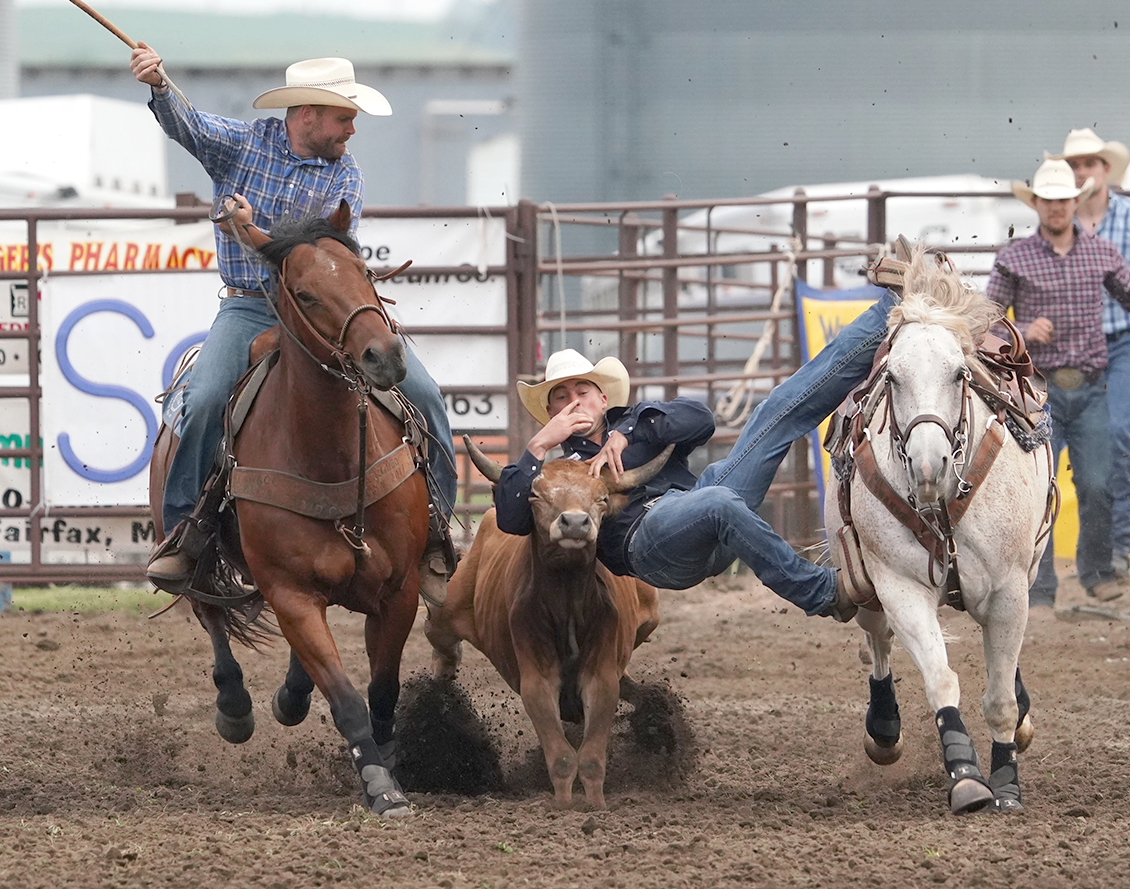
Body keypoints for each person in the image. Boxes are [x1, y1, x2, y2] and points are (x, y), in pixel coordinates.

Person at [131, 46, 457, 607]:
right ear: (306, 113)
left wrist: (252, 232)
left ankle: (436, 534)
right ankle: (188, 529)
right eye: (344, 117)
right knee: (207, 397)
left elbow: (315, 250)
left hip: (322, 309)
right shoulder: (241, 144)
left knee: (424, 394)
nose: (352, 130)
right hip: (251, 307)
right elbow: (188, 122)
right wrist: (159, 84)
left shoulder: (345, 174)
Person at [494, 279, 900, 622]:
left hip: (700, 506)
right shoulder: (553, 471)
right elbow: (511, 519)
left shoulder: (637, 422)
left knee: (774, 410)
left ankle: (890, 309)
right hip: (649, 544)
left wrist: (628, 431)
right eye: (561, 397)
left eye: (583, 391)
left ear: (603, 400)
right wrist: (537, 445)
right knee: (718, 501)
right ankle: (824, 593)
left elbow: (700, 419)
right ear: (549, 413)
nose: (574, 401)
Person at [986, 157, 1130, 607]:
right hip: (1037, 391)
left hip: (1090, 387)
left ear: (1075, 202)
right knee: (1037, 489)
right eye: (1048, 200)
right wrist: (1022, 331)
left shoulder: (1102, 254)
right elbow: (985, 324)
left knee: (1097, 483)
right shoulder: (1014, 258)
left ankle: (1097, 571)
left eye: (1063, 200)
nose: (1056, 208)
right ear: (1038, 205)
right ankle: (1040, 584)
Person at [1047, 128, 1130, 577]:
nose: (1082, 172)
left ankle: (1117, 548)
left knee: (1117, 435)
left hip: (1121, 343)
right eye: (1075, 165)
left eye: (1089, 164)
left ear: (1104, 170)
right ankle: (1105, 559)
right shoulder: (1059, 226)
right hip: (1071, 354)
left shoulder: (1129, 219)